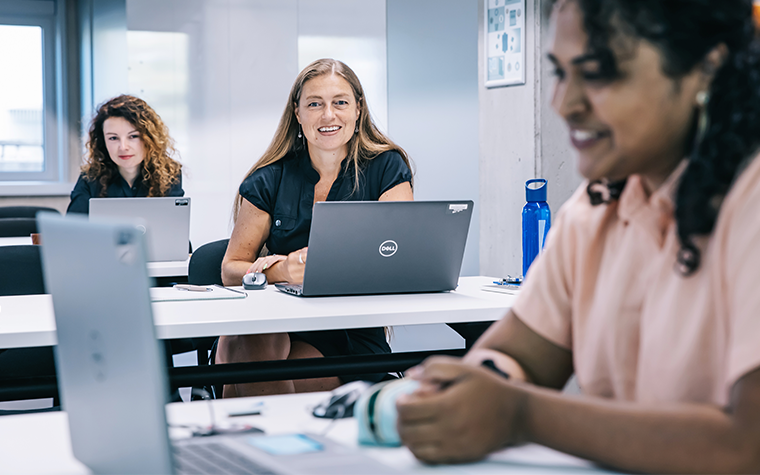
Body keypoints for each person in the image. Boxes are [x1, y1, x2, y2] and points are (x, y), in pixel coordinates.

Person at [396, 0, 760, 472]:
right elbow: (515, 354)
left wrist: (520, 412)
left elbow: (747, 445)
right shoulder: (596, 208)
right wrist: (476, 387)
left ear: (705, 66)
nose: (564, 104)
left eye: (598, 73)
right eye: (561, 73)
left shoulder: (749, 200)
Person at [218, 58, 414, 397]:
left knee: (245, 365)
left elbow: (401, 256)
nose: (328, 115)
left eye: (340, 102)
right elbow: (231, 269)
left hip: (351, 331)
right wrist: (283, 270)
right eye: (314, 104)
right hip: (283, 320)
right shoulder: (269, 177)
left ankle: (258, 441)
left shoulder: (386, 167)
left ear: (358, 110)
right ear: (298, 113)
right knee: (254, 342)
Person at [67, 94, 183, 214]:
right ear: (103, 142)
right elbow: (73, 229)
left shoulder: (170, 174)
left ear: (149, 138)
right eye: (113, 138)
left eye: (133, 136)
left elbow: (174, 227)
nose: (123, 147)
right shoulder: (90, 177)